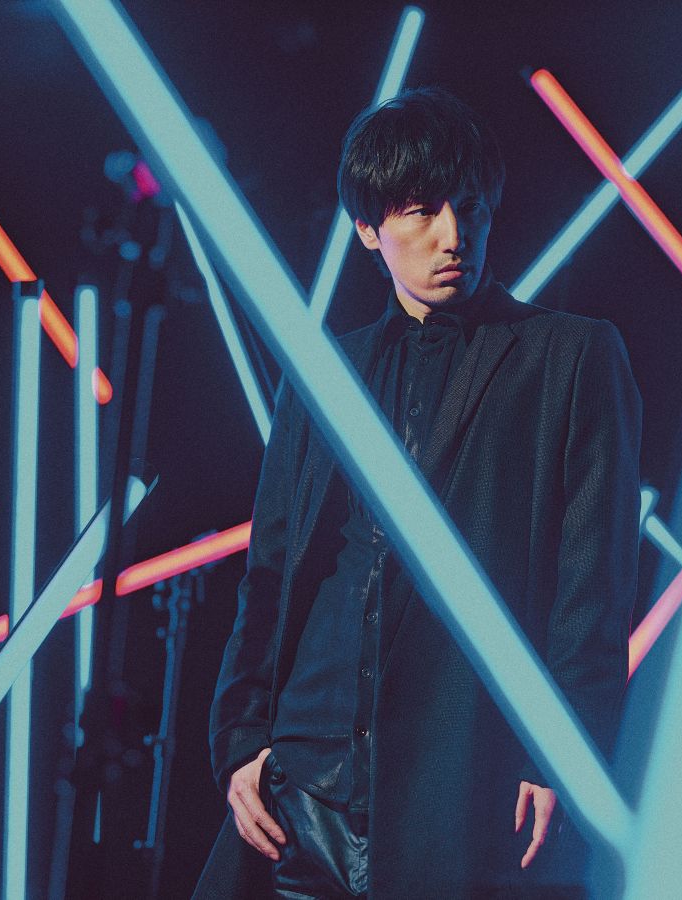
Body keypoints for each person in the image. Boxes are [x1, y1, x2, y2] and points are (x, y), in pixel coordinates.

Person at [194, 86, 641, 899]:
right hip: (303, 782)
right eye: (422, 212)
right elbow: (272, 571)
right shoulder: (325, 371)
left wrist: (564, 754)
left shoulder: (568, 356)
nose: (454, 235)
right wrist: (240, 744)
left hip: (460, 782)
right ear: (368, 228)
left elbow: (593, 586)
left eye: (470, 207)